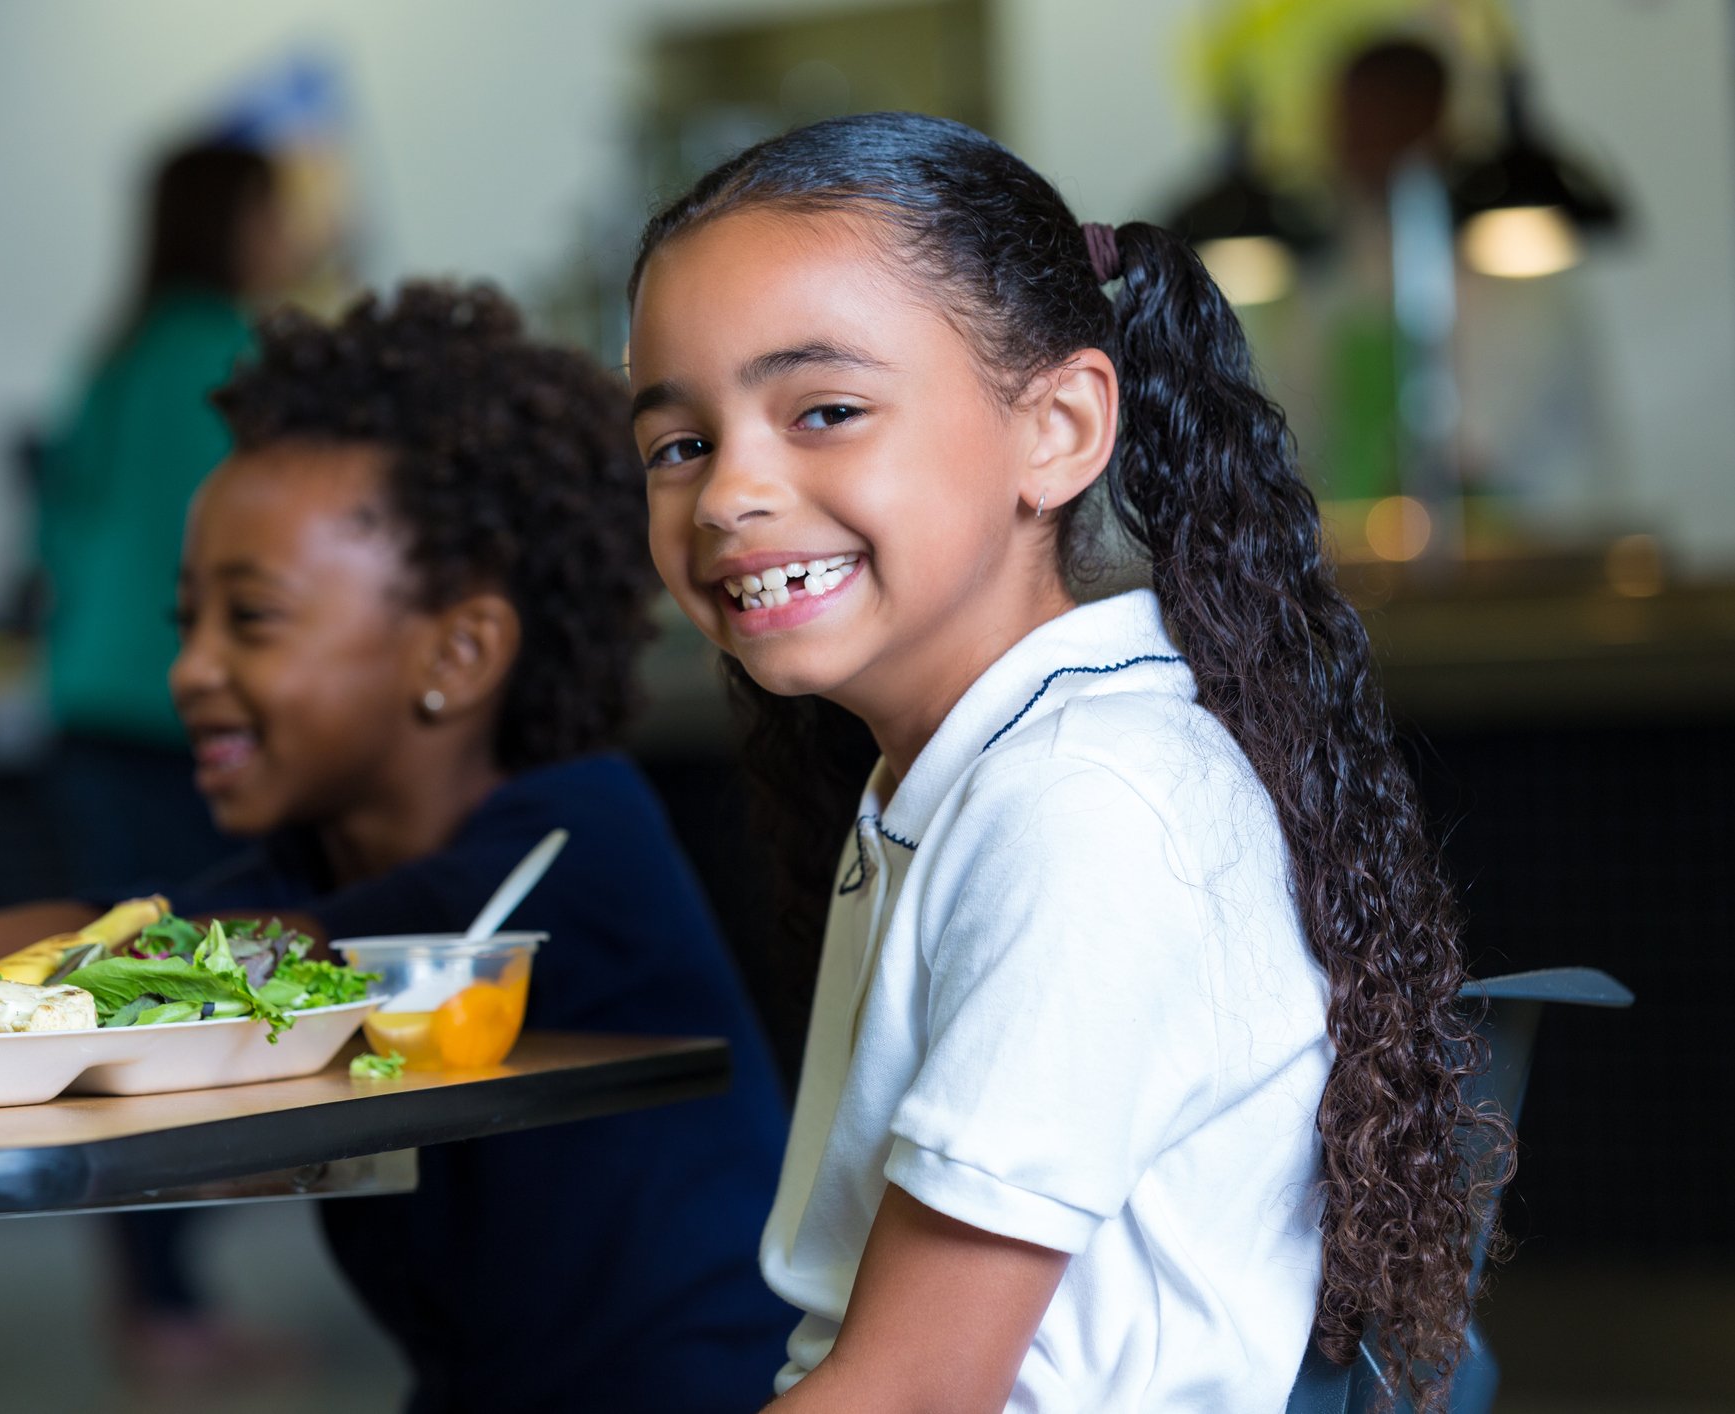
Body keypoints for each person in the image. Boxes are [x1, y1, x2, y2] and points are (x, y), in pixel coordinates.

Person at [0, 283, 794, 1413]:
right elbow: (139, 915)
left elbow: (215, 951)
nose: (191, 669)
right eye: (186, 621)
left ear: (461, 651)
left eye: (254, 619)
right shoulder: (313, 861)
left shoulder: (577, 835)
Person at [624, 112, 1508, 1412]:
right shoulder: (979, 767)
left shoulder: (1082, 807)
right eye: (678, 444)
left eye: (824, 410)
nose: (725, 494)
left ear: (1057, 428)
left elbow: (912, 1392)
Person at [37, 138, 302, 899]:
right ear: (239, 223)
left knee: (126, 962)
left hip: (85, 703)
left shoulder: (109, 362)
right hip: (201, 718)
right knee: (230, 966)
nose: (292, 236)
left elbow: (50, 540)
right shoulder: (248, 359)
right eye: (278, 214)